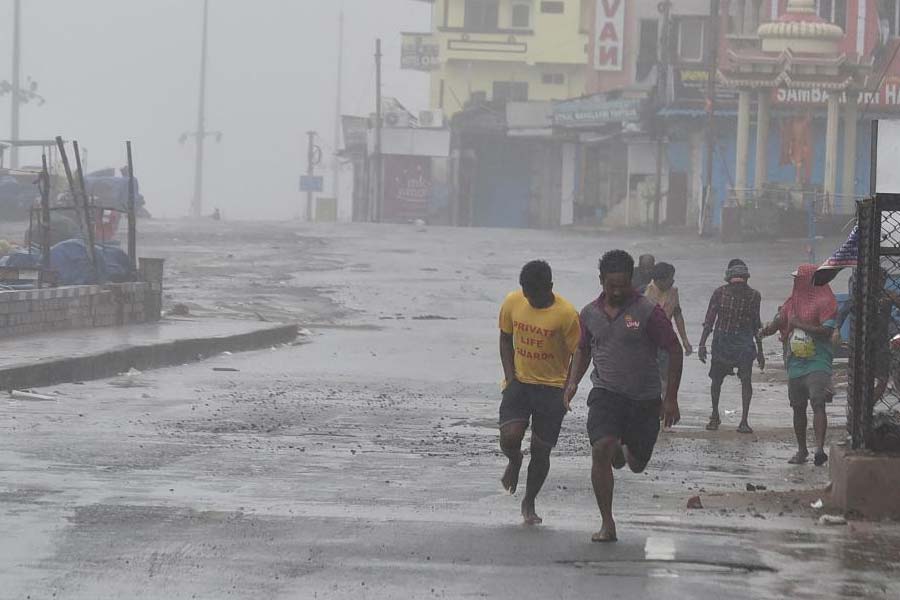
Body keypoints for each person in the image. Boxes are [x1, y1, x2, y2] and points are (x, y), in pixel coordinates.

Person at [564, 250, 683, 542]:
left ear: (631, 280)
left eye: (622, 284)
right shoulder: (590, 313)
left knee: (637, 464)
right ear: (601, 280)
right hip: (606, 393)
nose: (616, 291)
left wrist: (671, 398)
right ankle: (607, 522)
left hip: (644, 399)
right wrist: (572, 383)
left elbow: (674, 349)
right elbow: (583, 349)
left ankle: (626, 449)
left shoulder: (647, 311)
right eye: (610, 285)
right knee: (600, 449)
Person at [498, 260, 581, 525]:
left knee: (541, 450)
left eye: (536, 295)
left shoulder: (566, 314)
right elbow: (504, 337)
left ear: (550, 288)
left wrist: (570, 387)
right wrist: (510, 378)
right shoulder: (513, 301)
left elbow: (579, 352)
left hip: (552, 389)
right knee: (510, 437)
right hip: (520, 384)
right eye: (527, 294)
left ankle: (529, 501)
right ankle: (514, 460)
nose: (531, 300)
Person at [760, 264, 838, 466]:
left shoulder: (825, 301)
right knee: (798, 407)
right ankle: (802, 450)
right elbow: (779, 321)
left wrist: (799, 324)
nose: (795, 282)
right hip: (795, 363)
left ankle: (819, 449)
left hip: (818, 361)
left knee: (818, 402)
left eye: (799, 279)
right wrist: (766, 330)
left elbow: (827, 331)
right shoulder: (791, 304)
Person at [697, 259, 764, 434]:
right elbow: (709, 320)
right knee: (716, 380)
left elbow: (756, 324)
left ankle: (744, 421)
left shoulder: (754, 296)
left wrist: (760, 351)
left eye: (741, 284)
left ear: (746, 281)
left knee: (746, 379)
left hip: (744, 341)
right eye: (735, 284)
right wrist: (702, 344)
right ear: (728, 281)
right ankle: (714, 414)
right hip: (722, 341)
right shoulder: (719, 293)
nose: (738, 288)